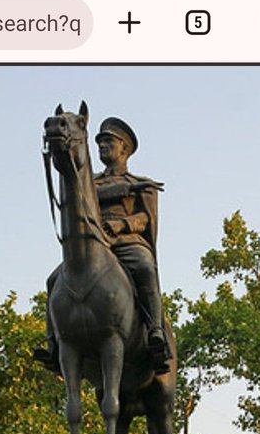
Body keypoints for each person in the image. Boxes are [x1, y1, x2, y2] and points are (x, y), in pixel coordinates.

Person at [39, 116, 172, 375]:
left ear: (124, 148)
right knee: (53, 280)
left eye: (108, 141)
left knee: (145, 268)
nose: (102, 146)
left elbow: (146, 218)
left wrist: (122, 225)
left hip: (126, 242)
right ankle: (53, 344)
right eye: (99, 142)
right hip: (94, 244)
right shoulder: (89, 184)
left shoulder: (140, 183)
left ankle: (156, 332)